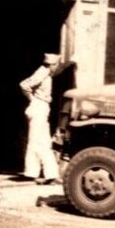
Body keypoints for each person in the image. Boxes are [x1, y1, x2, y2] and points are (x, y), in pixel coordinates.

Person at [19, 51, 68, 184]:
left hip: (41, 106)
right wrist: (33, 99)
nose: (57, 67)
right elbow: (24, 84)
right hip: (39, 106)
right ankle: (49, 174)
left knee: (39, 141)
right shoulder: (42, 72)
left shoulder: (46, 72)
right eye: (56, 65)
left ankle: (36, 172)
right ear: (52, 64)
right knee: (40, 141)